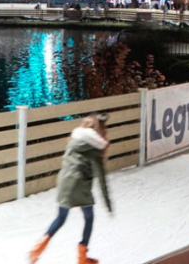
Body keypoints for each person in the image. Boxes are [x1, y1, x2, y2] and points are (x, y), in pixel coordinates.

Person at [29, 113, 113, 264]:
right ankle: (82, 257)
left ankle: (38, 247)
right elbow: (102, 179)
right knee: (89, 218)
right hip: (80, 184)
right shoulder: (96, 148)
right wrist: (108, 205)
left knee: (61, 218)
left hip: (64, 181)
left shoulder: (73, 141)